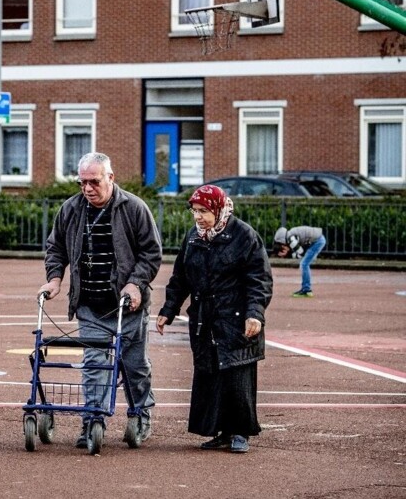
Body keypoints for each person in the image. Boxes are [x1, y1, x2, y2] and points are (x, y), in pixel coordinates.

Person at [39, 152, 162, 450]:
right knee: (94, 364)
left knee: (134, 365)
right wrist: (55, 278)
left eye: (94, 181)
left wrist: (135, 284)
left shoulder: (134, 208)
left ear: (111, 178)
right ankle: (92, 420)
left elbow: (151, 252)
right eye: (82, 182)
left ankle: (140, 413)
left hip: (127, 306)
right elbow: (55, 247)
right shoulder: (70, 209)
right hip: (90, 305)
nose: (87, 188)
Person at [155, 184, 273, 454]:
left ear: (218, 209)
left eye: (204, 211)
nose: (198, 217)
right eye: (195, 211)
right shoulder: (194, 237)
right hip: (204, 318)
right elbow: (180, 278)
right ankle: (220, 431)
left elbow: (259, 280)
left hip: (235, 317)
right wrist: (168, 310)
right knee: (210, 375)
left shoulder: (244, 235)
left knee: (236, 376)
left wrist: (255, 313)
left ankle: (240, 432)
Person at [273, 226, 325, 298]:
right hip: (318, 239)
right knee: (304, 264)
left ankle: (306, 290)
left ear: (282, 243)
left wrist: (289, 254)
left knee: (304, 264)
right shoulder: (290, 235)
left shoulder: (291, 240)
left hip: (317, 241)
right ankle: (306, 289)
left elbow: (301, 253)